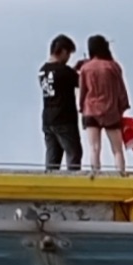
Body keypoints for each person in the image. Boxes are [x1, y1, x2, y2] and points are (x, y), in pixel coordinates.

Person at [77, 35, 132, 172]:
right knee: (117, 149)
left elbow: (83, 90)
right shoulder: (113, 66)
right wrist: (123, 107)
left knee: (94, 148)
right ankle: (120, 173)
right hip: (111, 111)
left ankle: (96, 174)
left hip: (90, 109)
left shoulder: (85, 68)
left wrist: (81, 107)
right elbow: (121, 89)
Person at [38, 36, 82, 172]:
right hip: (64, 119)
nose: (68, 57)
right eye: (68, 53)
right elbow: (82, 82)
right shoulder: (65, 72)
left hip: (47, 119)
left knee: (52, 157)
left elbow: (57, 81)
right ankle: (73, 185)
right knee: (74, 153)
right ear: (62, 51)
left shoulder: (42, 70)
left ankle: (49, 186)